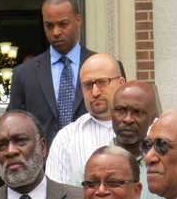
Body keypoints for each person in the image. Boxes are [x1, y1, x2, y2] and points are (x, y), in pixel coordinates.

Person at [8, 0, 94, 145]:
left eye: (63, 24)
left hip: (94, 164)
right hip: (43, 166)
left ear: (78, 20)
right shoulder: (24, 74)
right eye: (49, 25)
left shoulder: (102, 67)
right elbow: (13, 128)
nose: (56, 32)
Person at [45, 53, 125, 186]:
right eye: (88, 85)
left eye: (102, 82)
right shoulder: (66, 139)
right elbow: (55, 198)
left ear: (121, 83)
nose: (95, 92)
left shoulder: (149, 130)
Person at [111, 81, 167, 199]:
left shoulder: (165, 171)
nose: (128, 119)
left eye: (137, 112)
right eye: (121, 110)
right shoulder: (90, 169)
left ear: (152, 118)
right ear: (111, 114)